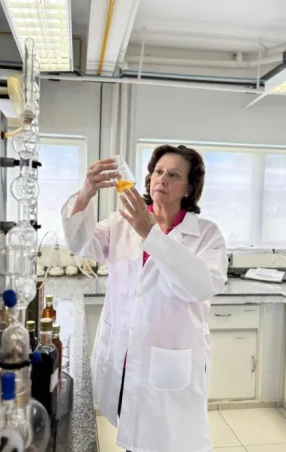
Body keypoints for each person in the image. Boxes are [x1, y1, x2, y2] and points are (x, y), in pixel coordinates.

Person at [61, 145, 228, 452]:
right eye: (159, 172)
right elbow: (82, 245)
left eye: (174, 175)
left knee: (167, 441)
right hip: (124, 360)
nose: (162, 179)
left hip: (168, 364)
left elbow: (201, 286)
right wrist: (85, 193)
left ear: (189, 188)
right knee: (133, 440)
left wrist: (152, 235)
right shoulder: (122, 222)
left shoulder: (206, 234)